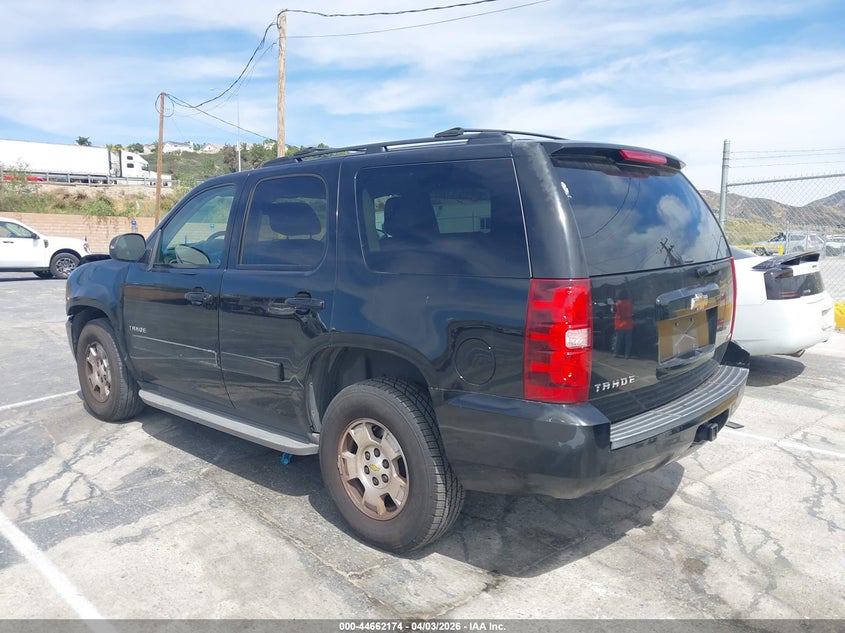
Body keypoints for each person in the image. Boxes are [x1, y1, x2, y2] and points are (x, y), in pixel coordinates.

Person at [613, 289, 633, 358]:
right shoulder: (629, 303)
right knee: (628, 341)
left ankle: (616, 353)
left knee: (618, 341)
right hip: (628, 324)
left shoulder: (617, 303)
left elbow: (613, 311)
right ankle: (627, 354)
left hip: (620, 324)